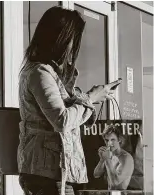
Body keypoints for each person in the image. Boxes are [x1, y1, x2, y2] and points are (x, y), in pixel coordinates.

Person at [17, 6, 122, 195]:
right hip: (47, 173)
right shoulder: (40, 73)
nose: (74, 47)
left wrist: (91, 96)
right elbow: (62, 120)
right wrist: (90, 98)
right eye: (73, 40)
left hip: (55, 172)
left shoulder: (51, 74)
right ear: (60, 38)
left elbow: (70, 119)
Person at [94, 125, 134, 190]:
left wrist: (107, 159)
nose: (109, 143)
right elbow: (96, 175)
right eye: (107, 140)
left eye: (112, 140)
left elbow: (115, 182)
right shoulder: (109, 154)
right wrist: (102, 159)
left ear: (119, 140)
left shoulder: (126, 158)